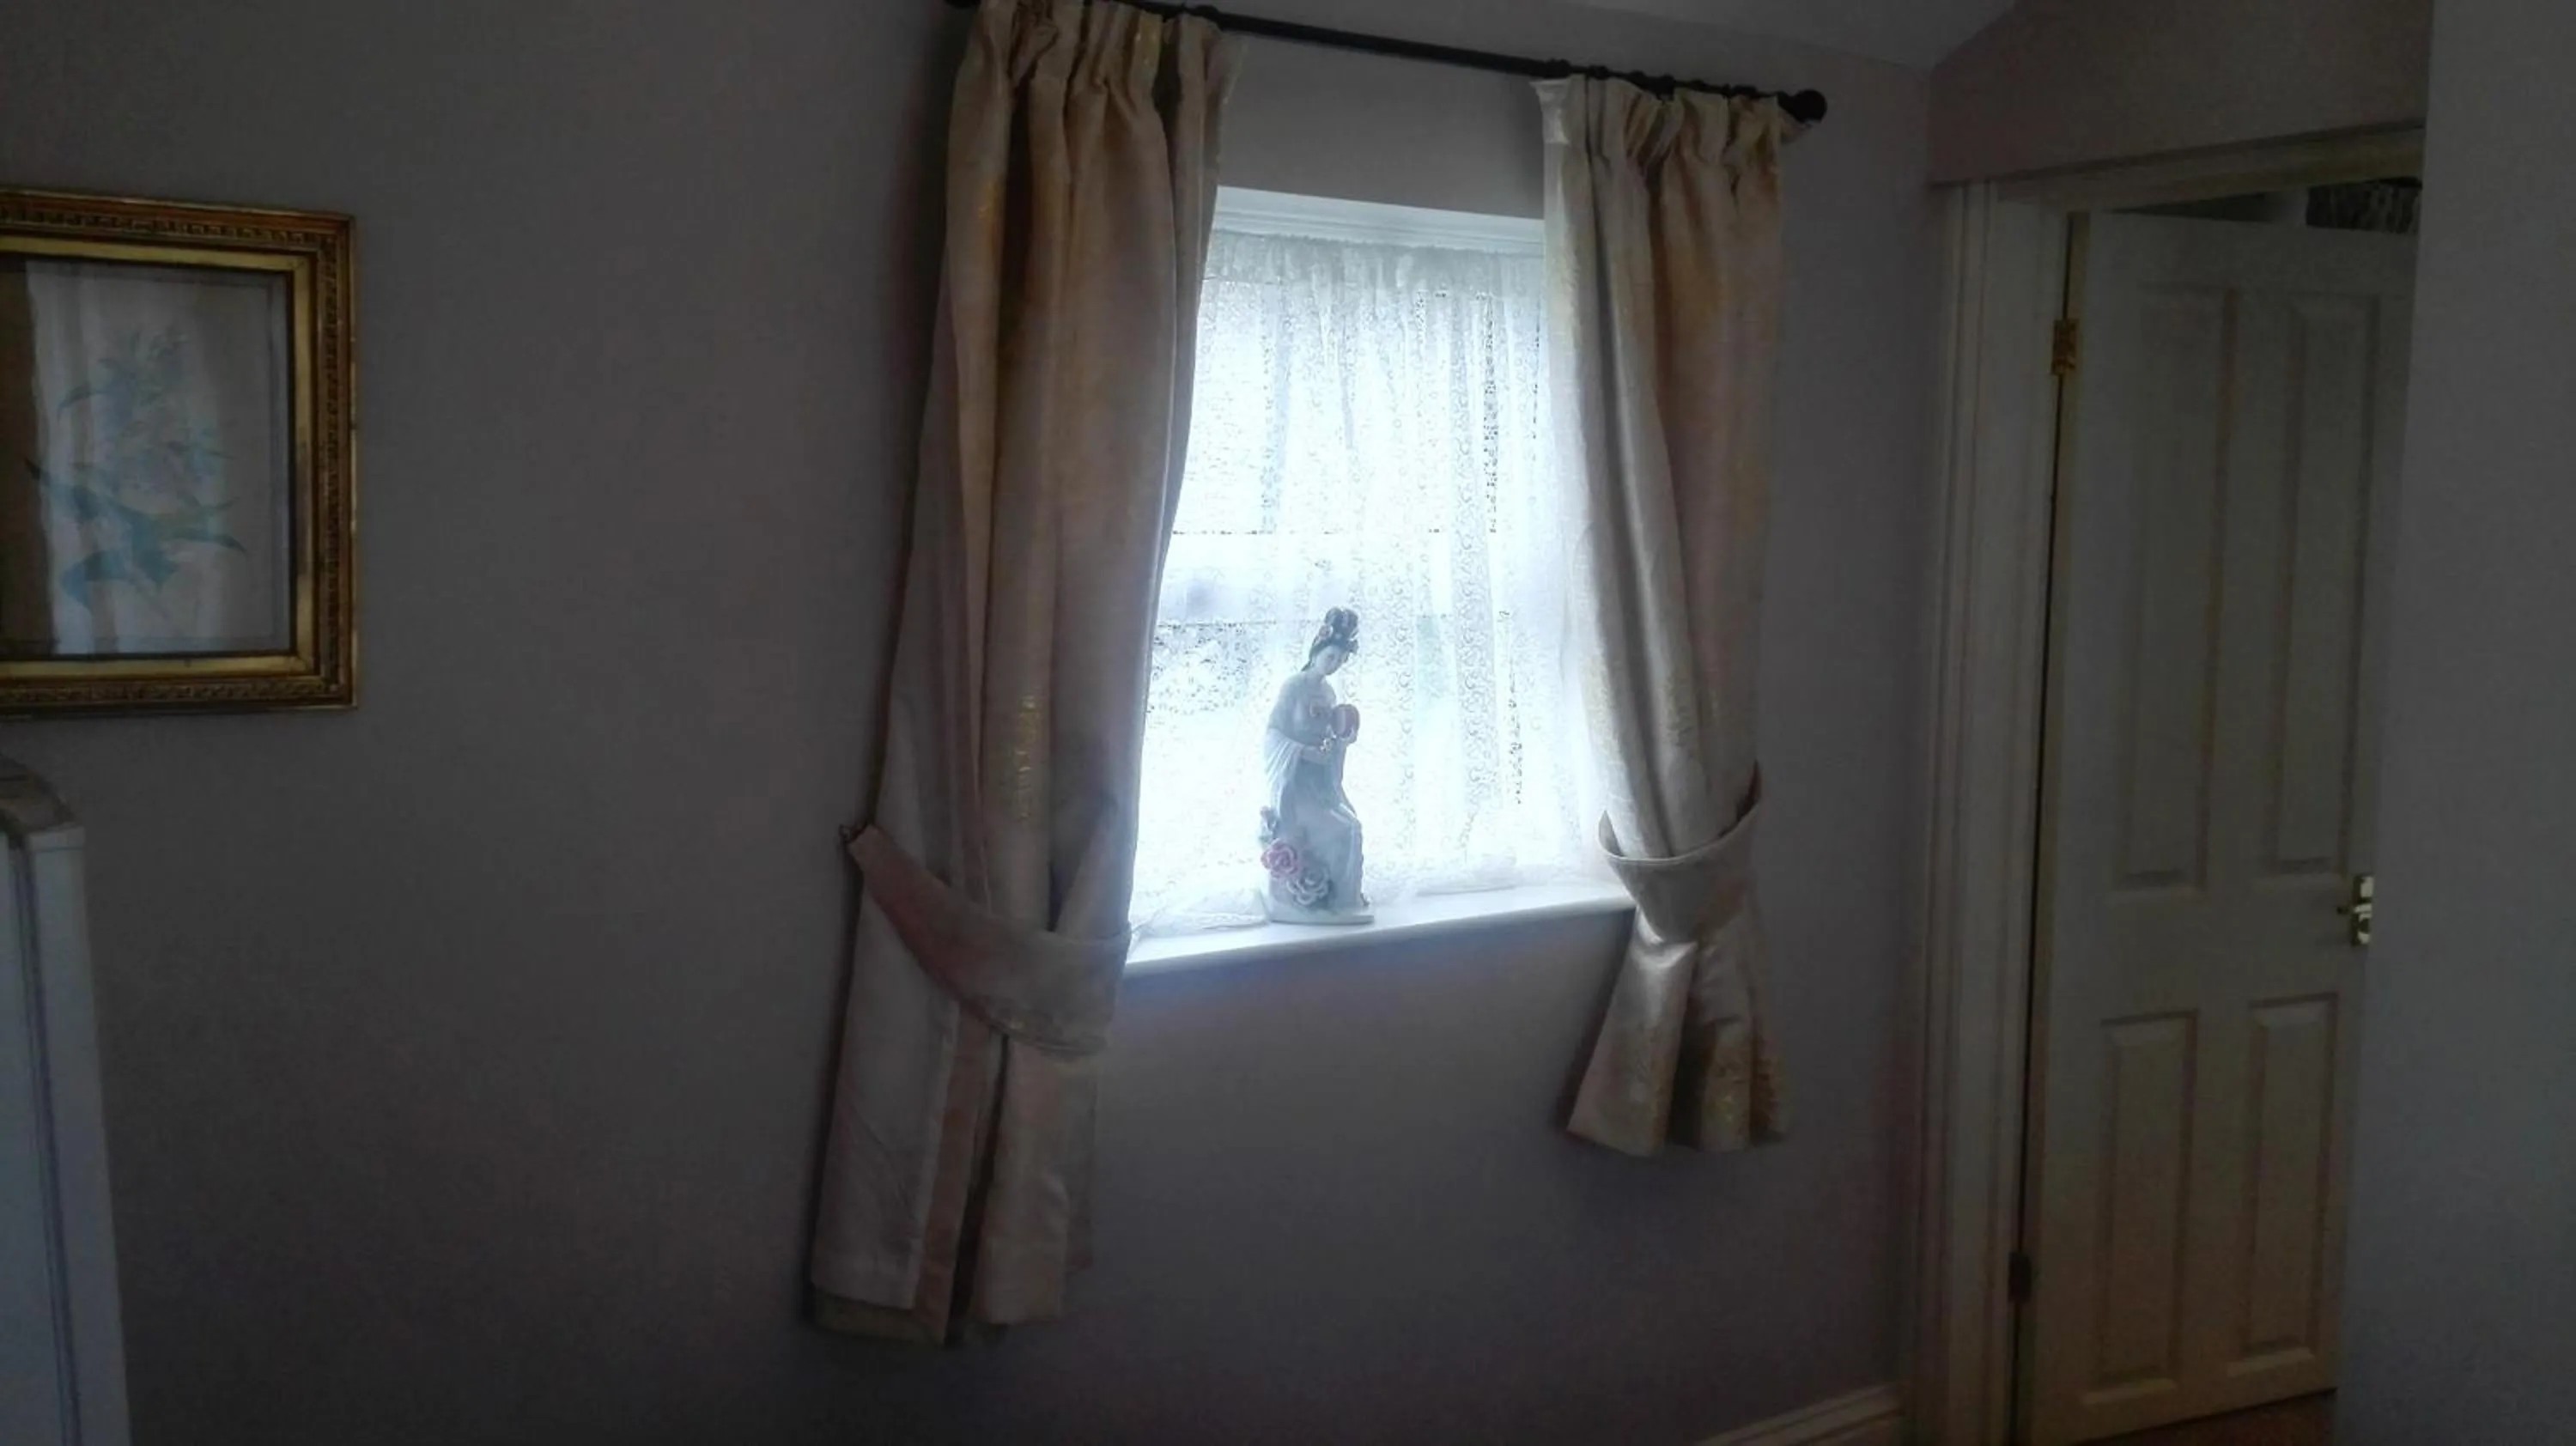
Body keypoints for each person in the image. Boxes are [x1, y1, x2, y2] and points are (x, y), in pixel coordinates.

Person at [1257, 607, 1370, 922]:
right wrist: (1302, 753)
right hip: (1294, 789)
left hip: (1318, 786)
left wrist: (1339, 747)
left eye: (1341, 660)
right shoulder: (1294, 687)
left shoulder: (1329, 693)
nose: (1334, 664)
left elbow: (1329, 739)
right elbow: (1272, 734)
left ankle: (1343, 899)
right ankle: (1315, 899)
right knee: (1342, 831)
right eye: (1331, 656)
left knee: (1353, 826)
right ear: (1318, 650)